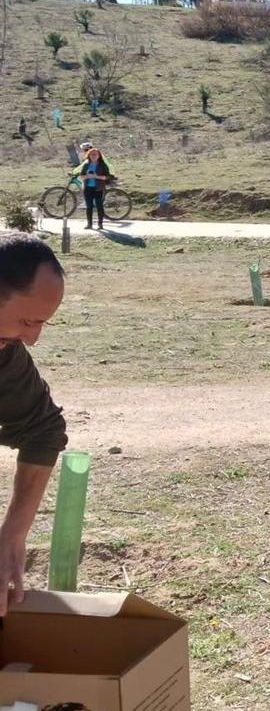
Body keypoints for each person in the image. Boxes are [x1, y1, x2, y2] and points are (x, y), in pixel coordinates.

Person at [0, 233, 69, 616]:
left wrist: (13, 533)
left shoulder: (4, 354)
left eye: (41, 324)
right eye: (27, 321)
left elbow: (42, 427)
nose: (32, 337)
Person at [71, 143, 114, 230]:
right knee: (89, 206)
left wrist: (96, 176)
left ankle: (100, 224)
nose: (94, 156)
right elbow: (81, 176)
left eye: (95, 154)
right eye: (92, 154)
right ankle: (89, 224)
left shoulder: (102, 165)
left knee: (99, 206)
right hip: (87, 188)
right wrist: (87, 176)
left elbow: (108, 176)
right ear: (89, 155)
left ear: (99, 156)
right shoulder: (86, 165)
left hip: (98, 188)